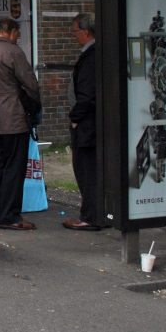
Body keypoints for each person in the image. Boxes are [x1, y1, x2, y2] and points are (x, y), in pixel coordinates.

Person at [0, 17, 41, 230]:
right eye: (17, 33)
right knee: (14, 168)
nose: (18, 37)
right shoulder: (13, 53)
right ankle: (10, 216)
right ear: (11, 32)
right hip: (12, 119)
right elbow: (31, 83)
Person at [63, 12, 100, 231]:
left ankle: (90, 216)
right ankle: (94, 214)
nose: (74, 35)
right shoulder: (94, 54)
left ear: (85, 32)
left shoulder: (91, 56)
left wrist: (75, 118)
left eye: (76, 30)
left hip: (87, 125)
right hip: (89, 123)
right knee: (89, 170)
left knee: (86, 171)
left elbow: (87, 95)